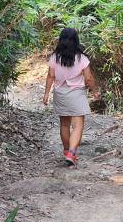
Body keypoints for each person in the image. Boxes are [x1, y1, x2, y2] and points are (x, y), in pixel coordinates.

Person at [42, 27, 100, 166]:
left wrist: (46, 94)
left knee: (64, 124)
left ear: (60, 40)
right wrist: (95, 91)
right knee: (78, 125)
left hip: (60, 93)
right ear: (76, 40)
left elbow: (51, 76)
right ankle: (72, 153)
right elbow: (89, 78)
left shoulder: (54, 57)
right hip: (76, 94)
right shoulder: (82, 58)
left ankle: (67, 151)